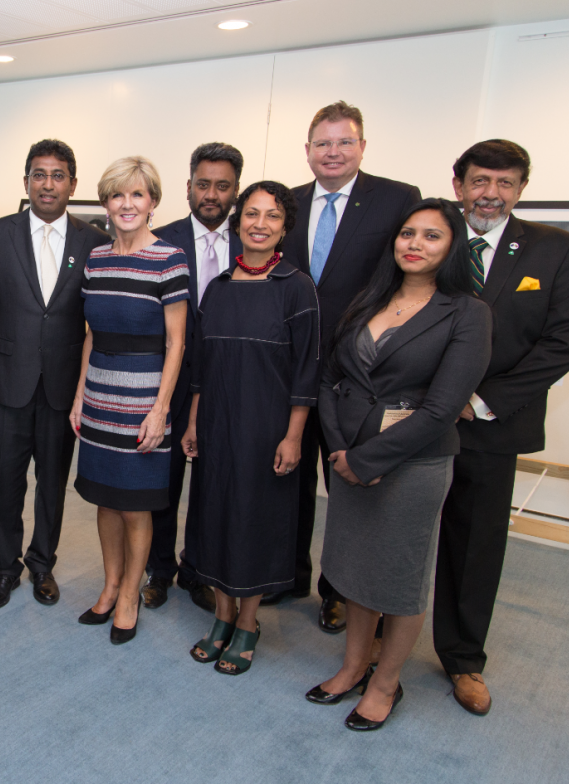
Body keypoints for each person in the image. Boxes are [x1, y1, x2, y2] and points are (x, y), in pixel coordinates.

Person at [307, 197, 492, 730]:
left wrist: (367, 459)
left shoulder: (467, 313)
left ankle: (385, 684)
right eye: (408, 233)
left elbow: (440, 409)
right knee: (353, 570)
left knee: (398, 579)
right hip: (347, 459)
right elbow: (331, 378)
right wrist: (341, 448)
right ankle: (351, 666)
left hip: (412, 467)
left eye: (431, 236)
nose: (415, 244)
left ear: (453, 246)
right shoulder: (371, 299)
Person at [434, 140, 569, 716]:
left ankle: (463, 657)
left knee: (475, 544)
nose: (490, 194)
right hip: (415, 419)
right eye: (479, 181)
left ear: (520, 189)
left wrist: (482, 401)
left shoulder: (557, 250)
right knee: (398, 531)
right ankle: (377, 637)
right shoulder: (430, 234)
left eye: (504, 184)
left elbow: (564, 341)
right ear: (459, 184)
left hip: (490, 424)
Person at [272, 101, 422, 635]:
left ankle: (338, 592)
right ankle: (287, 576)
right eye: (322, 143)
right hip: (289, 365)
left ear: (362, 146)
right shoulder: (285, 202)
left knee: (347, 485)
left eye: (344, 142)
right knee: (286, 476)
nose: (332, 152)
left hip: (355, 373)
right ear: (307, 149)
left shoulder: (398, 200)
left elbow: (404, 278)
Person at [181, 181, 318, 674]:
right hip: (216, 424)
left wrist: (294, 434)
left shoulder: (296, 287)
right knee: (213, 517)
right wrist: (194, 422)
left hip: (267, 429)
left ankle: (248, 623)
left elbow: (307, 371)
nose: (260, 224)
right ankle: (222, 616)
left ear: (285, 228)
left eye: (273, 216)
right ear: (238, 222)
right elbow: (201, 366)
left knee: (253, 523)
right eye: (252, 214)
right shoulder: (217, 288)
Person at [0, 139, 110, 610]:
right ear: (26, 180)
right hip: (7, 382)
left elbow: (99, 317)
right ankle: (5, 569)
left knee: (52, 483)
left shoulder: (94, 241)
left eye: (57, 175)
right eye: (38, 174)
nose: (47, 184)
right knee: (6, 481)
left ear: (72, 183)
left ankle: (42, 564)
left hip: (63, 386)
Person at [71, 156, 188, 645]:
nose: (127, 204)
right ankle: (110, 582)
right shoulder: (97, 258)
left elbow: (177, 342)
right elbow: (91, 335)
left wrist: (161, 409)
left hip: (143, 398)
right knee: (104, 497)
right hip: (99, 394)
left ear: (153, 203)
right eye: (118, 194)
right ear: (106, 202)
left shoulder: (169, 258)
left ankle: (130, 595)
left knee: (136, 506)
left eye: (137, 194)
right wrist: (79, 396)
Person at [143, 142, 245, 613]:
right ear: (187, 187)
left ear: (235, 191)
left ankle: (198, 569)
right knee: (162, 482)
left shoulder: (254, 242)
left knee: (212, 482)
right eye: (203, 184)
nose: (211, 194)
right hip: (170, 379)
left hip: (227, 385)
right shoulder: (158, 241)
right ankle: (159, 570)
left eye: (222, 186)